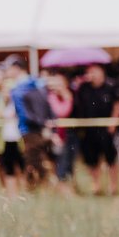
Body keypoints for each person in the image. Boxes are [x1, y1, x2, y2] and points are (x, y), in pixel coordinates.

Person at [73, 63, 119, 197]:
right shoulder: (83, 88)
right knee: (92, 160)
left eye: (94, 71)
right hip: (89, 130)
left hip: (107, 130)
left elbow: (118, 104)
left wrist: (114, 121)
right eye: (90, 71)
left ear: (102, 72)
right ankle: (96, 186)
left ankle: (113, 186)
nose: (92, 74)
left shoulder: (111, 86)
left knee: (111, 159)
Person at [7, 60, 52, 189]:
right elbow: (46, 105)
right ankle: (37, 188)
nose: (8, 72)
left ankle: (41, 187)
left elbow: (23, 113)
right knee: (36, 159)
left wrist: (38, 123)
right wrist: (44, 123)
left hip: (29, 129)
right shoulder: (38, 83)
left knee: (33, 161)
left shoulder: (18, 89)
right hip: (40, 127)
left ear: (16, 68)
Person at [46, 73, 78, 194]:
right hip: (55, 136)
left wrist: (68, 97)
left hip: (69, 135)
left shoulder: (73, 95)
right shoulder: (50, 97)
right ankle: (62, 190)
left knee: (69, 163)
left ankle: (68, 188)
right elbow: (61, 112)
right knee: (59, 164)